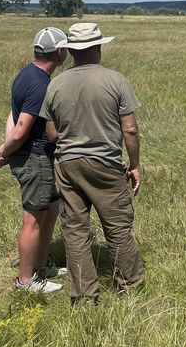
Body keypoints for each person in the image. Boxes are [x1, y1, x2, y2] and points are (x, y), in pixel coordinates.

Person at [40, 22, 145, 302]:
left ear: (72, 52)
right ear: (98, 48)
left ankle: (84, 296)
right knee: (118, 227)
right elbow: (130, 129)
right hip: (105, 164)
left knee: (75, 231)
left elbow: (51, 133)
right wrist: (134, 164)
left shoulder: (56, 84)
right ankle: (130, 286)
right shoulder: (116, 80)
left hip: (67, 164)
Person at [0, 27, 69, 293]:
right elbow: (22, 127)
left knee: (51, 209)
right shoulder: (39, 84)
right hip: (35, 158)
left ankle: (41, 264)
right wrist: (8, 151)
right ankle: (26, 281)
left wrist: (5, 148)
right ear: (59, 52)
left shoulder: (26, 74)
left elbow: (12, 117)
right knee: (33, 218)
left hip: (33, 155)